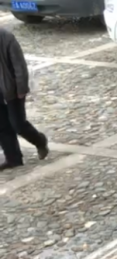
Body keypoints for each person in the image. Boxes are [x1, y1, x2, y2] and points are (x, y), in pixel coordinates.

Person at [0, 28, 48, 170]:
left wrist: (21, 89)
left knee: (18, 124)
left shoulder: (6, 38)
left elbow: (19, 65)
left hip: (12, 89)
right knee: (2, 126)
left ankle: (40, 141)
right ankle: (13, 159)